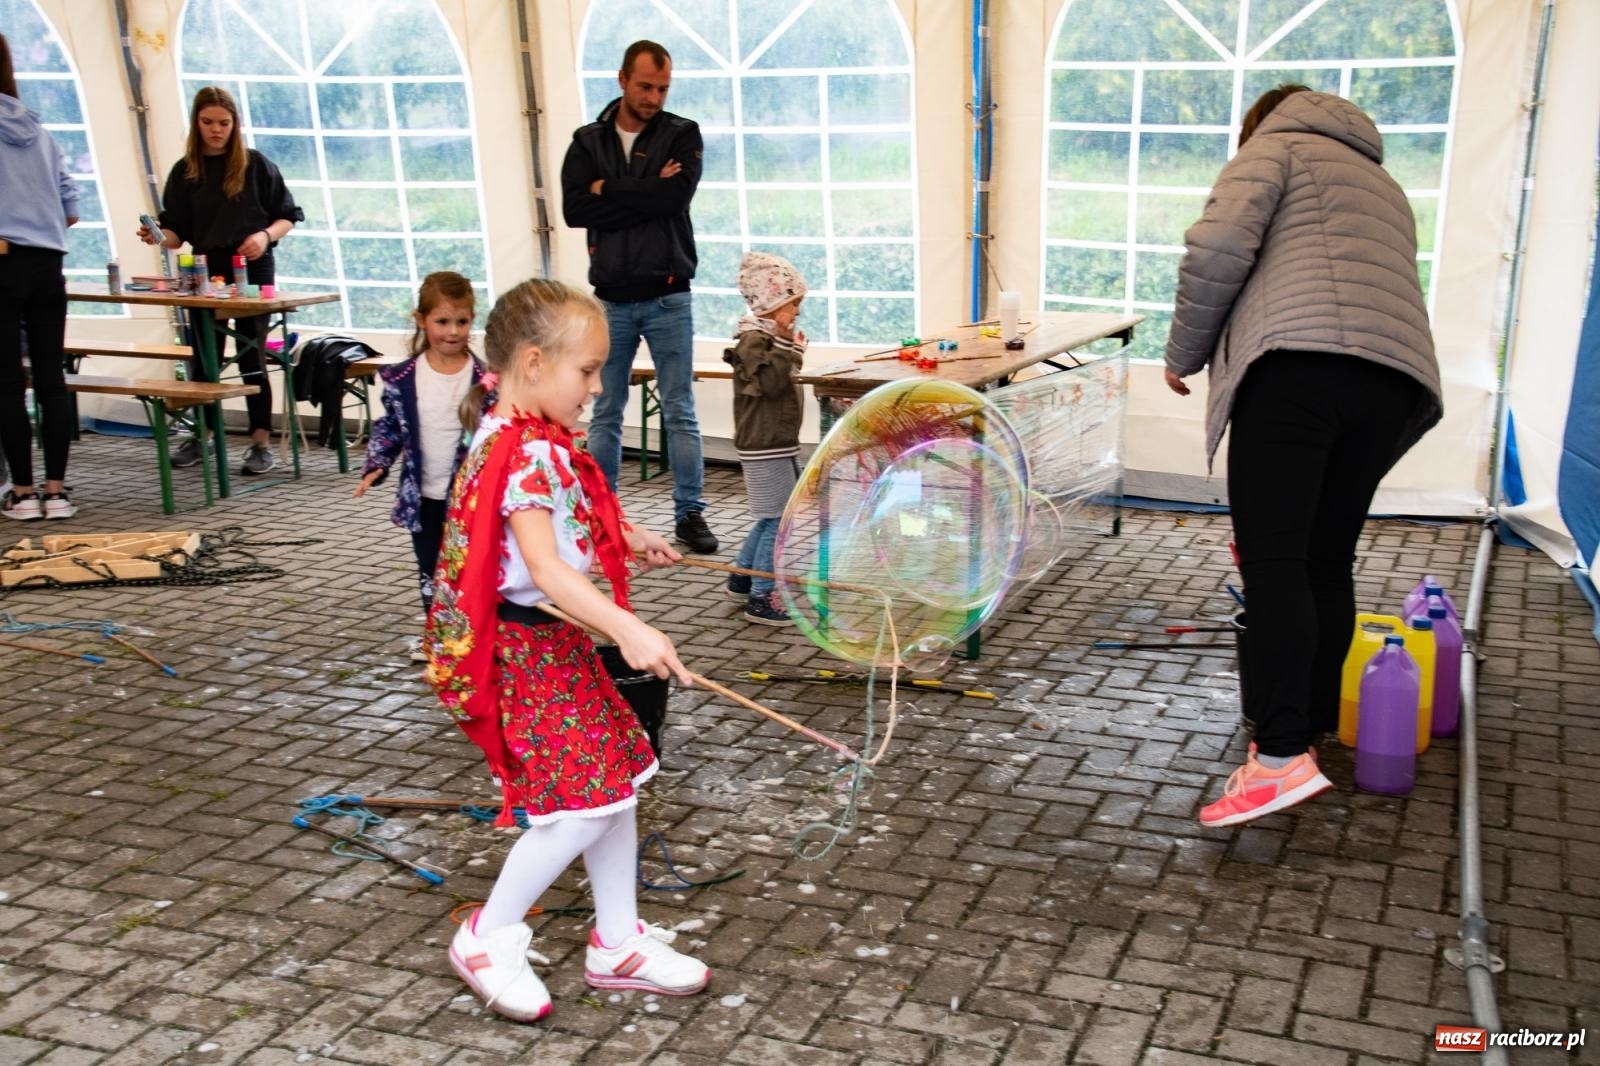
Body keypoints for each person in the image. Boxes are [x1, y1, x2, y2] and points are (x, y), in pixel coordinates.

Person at [424, 278, 711, 1022]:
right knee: (580, 805)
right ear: (531, 362)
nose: (596, 387)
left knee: (612, 785)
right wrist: (629, 628)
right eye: (585, 371)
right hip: (523, 652)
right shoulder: (521, 449)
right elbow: (544, 569)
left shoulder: (525, 435)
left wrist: (627, 536)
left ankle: (616, 942)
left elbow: (561, 534)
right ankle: (487, 938)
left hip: (548, 645)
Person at [1163, 86, 1443, 828]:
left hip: (1297, 370)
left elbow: (1217, 247)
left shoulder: (1275, 149)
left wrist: (1184, 354)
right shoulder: (1381, 180)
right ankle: (1308, 727)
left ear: (1258, 122)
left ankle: (1280, 758)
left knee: (1276, 561)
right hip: (1390, 383)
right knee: (1325, 559)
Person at [560, 39, 718, 555]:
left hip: (670, 294)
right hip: (611, 298)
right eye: (646, 86)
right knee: (605, 411)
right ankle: (601, 512)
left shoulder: (682, 133)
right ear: (623, 79)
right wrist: (644, 190)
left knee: (680, 410)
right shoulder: (587, 141)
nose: (654, 97)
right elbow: (574, 210)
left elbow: (675, 198)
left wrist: (610, 188)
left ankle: (690, 514)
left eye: (663, 88)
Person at [137, 85, 303, 476]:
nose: (216, 130)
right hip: (204, 270)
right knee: (205, 354)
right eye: (209, 122)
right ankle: (205, 433)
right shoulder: (185, 172)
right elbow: (177, 233)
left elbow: (288, 216)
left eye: (224, 123)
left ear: (235, 125)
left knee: (251, 356)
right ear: (196, 123)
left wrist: (263, 237)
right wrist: (158, 236)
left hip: (252, 269)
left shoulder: (256, 166)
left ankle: (260, 441)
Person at [354, 272, 485, 661]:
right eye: (442, 321)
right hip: (422, 497)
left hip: (471, 501)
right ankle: (439, 639)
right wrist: (376, 464)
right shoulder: (403, 378)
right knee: (431, 568)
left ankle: (477, 639)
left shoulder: (486, 380)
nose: (453, 331)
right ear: (421, 319)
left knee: (471, 570)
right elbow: (390, 426)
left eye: (462, 321)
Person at [0, 33, 80, 521]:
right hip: (50, 263)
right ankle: (57, 491)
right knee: (52, 379)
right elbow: (71, 206)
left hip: (4, 263)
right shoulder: (39, 131)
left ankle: (24, 493)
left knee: (8, 382)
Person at [722, 252, 807, 626]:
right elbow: (772, 385)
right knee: (777, 521)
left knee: (773, 515)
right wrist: (791, 348)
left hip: (776, 440)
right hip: (764, 444)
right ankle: (763, 597)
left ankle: (743, 578)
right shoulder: (753, 340)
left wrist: (788, 345)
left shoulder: (767, 336)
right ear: (772, 303)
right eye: (794, 305)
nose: (797, 313)